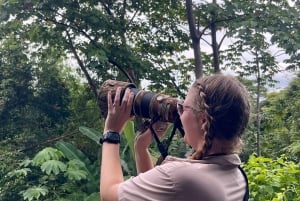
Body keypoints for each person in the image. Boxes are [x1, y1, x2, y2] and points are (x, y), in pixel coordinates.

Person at [100, 74, 250, 201]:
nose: (178, 114)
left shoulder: (182, 176)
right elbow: (161, 192)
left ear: (203, 121)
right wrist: (141, 147)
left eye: (183, 108)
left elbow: (110, 195)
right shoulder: (236, 175)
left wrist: (111, 132)